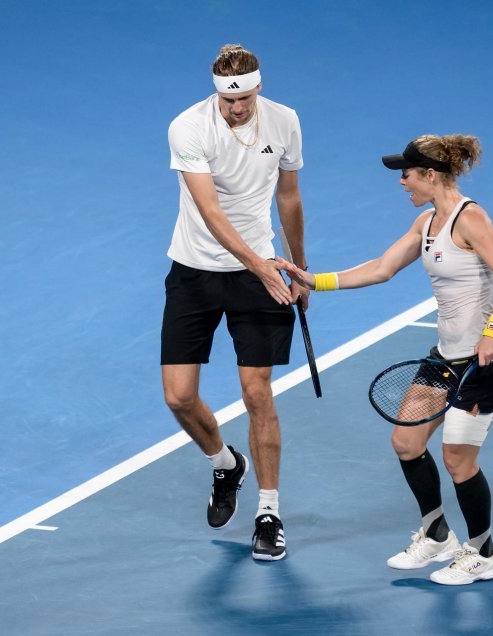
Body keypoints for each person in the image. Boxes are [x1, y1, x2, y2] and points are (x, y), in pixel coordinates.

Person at [279, 134, 493, 584]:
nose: (402, 183)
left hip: (483, 363)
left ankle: (485, 553)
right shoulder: (426, 223)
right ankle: (436, 535)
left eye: (406, 174)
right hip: (445, 359)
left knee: (457, 462)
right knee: (407, 444)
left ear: (430, 175)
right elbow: (381, 268)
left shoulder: (471, 219)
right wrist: (313, 280)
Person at [163, 44, 308, 561]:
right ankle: (226, 463)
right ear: (217, 93)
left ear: (258, 87)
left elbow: (288, 197)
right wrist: (261, 266)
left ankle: (268, 512)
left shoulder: (285, 122)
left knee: (257, 394)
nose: (238, 108)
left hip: (261, 272)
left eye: (244, 98)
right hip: (197, 272)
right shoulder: (189, 127)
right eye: (229, 101)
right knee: (178, 397)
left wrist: (299, 267)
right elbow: (209, 211)